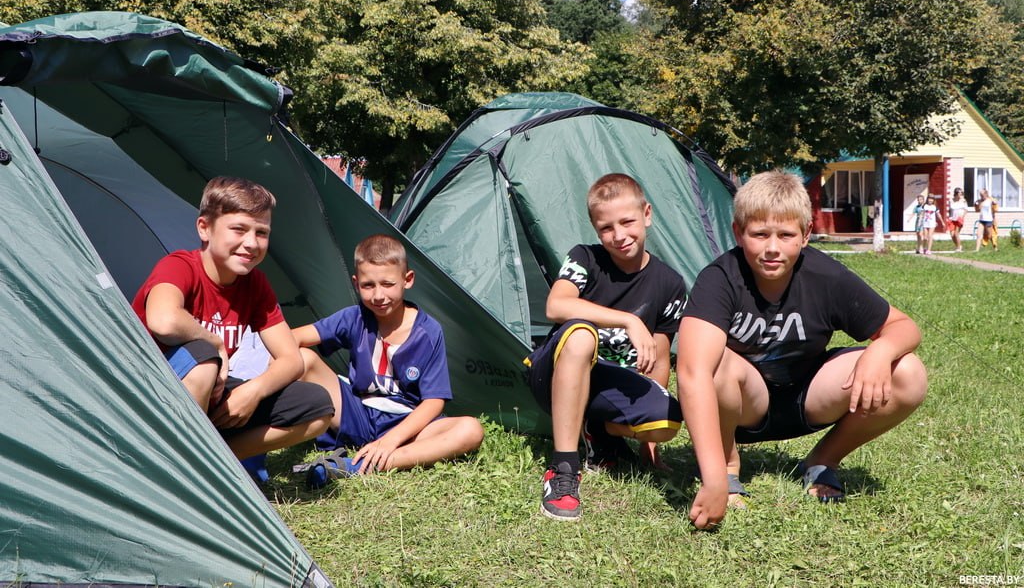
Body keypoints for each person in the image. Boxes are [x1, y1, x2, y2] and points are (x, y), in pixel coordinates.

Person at [677, 171, 928, 530]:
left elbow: (904, 327)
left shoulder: (826, 276)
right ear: (738, 232)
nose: (772, 248)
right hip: (742, 406)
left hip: (809, 398)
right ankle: (728, 467)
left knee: (907, 372)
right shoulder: (720, 278)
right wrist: (712, 476)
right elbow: (692, 372)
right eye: (759, 234)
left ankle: (822, 460)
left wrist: (880, 351)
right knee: (712, 364)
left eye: (786, 235)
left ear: (806, 234)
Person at [133, 176, 334, 460]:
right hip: (151, 395)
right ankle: (176, 464)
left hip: (210, 396)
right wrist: (214, 341)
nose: (251, 243)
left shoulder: (255, 284)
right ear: (204, 228)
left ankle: (214, 463)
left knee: (317, 406)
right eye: (238, 229)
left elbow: (291, 359)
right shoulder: (179, 266)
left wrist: (252, 391)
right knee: (203, 357)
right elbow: (163, 321)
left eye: (261, 232)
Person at [525, 173, 686, 521]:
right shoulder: (585, 258)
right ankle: (564, 469)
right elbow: (556, 305)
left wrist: (649, 444)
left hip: (609, 385)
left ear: (647, 214)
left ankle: (596, 431)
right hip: (554, 374)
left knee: (668, 419)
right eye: (606, 228)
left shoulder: (670, 283)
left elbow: (658, 360)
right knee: (582, 334)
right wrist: (628, 320)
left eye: (627, 222)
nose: (619, 235)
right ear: (596, 230)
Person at [294, 234, 483, 486]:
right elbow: (292, 339)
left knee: (471, 430)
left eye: (387, 284)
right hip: (356, 413)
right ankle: (257, 446)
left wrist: (391, 439)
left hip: (405, 424)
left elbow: (434, 401)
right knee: (300, 358)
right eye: (368, 285)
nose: (378, 295)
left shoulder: (428, 331)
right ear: (356, 283)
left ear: (408, 280)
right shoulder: (354, 317)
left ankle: (361, 465)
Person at [948, 188, 968, 252]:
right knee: (952, 235)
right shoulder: (951, 201)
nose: (961, 194)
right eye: (960, 193)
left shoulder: (963, 201)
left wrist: (962, 217)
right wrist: (949, 217)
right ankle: (958, 245)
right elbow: (950, 210)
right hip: (952, 219)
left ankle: (959, 248)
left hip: (959, 219)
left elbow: (966, 210)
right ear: (956, 193)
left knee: (956, 233)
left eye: (962, 193)